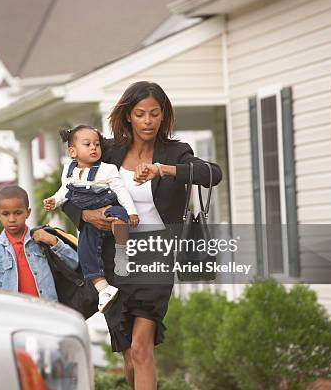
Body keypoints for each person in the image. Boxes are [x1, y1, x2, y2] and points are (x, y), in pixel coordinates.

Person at [63, 82, 222, 389]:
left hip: (156, 258)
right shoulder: (108, 152)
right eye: (140, 114)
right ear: (128, 117)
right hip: (114, 261)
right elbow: (71, 187)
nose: (148, 121)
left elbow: (212, 174)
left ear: (163, 116)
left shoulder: (176, 152)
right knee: (129, 355)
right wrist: (85, 215)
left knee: (140, 347)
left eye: (154, 113)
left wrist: (163, 169)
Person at [43, 125, 139, 313]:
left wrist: (132, 212)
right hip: (89, 221)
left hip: (110, 206)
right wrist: (54, 201)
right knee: (85, 250)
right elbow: (66, 191)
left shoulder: (107, 169)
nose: (94, 148)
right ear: (73, 151)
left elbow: (121, 191)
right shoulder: (69, 170)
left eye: (97, 144)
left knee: (119, 219)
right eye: (87, 144)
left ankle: (122, 252)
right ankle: (103, 288)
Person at [0, 186, 79, 301]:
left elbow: (74, 263)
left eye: (18, 213)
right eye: (6, 214)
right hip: (12, 316)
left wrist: (53, 241)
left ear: (28, 212)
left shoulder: (43, 240)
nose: (12, 219)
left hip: (47, 313)